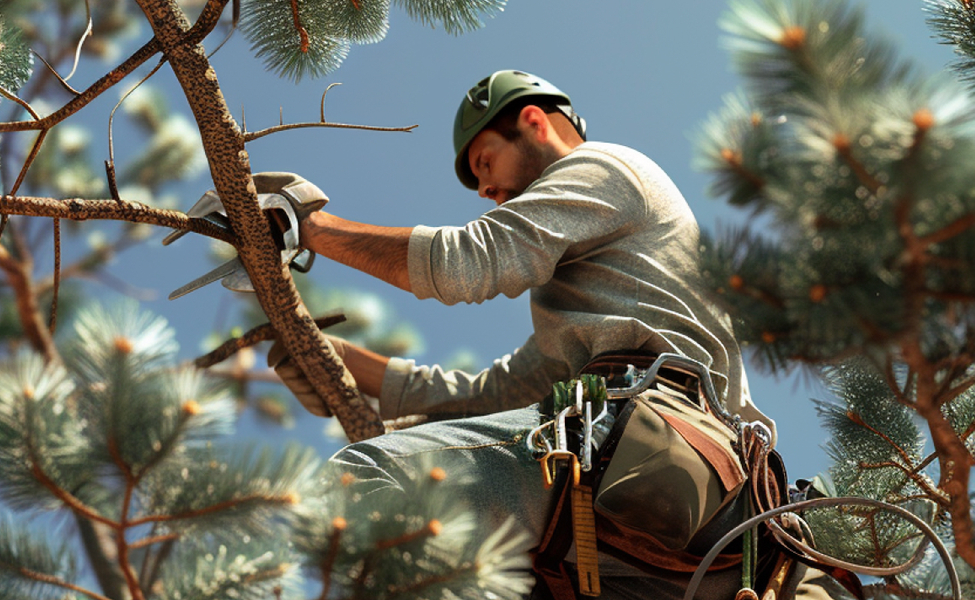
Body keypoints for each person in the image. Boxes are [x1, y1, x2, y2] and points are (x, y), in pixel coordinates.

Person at [265, 71, 833, 599]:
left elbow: (468, 260)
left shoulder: (604, 168)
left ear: (534, 122)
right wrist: (339, 361)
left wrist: (309, 225)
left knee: (360, 480)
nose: (485, 189)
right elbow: (492, 394)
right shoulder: (590, 312)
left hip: (648, 440)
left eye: (486, 161)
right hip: (712, 521)